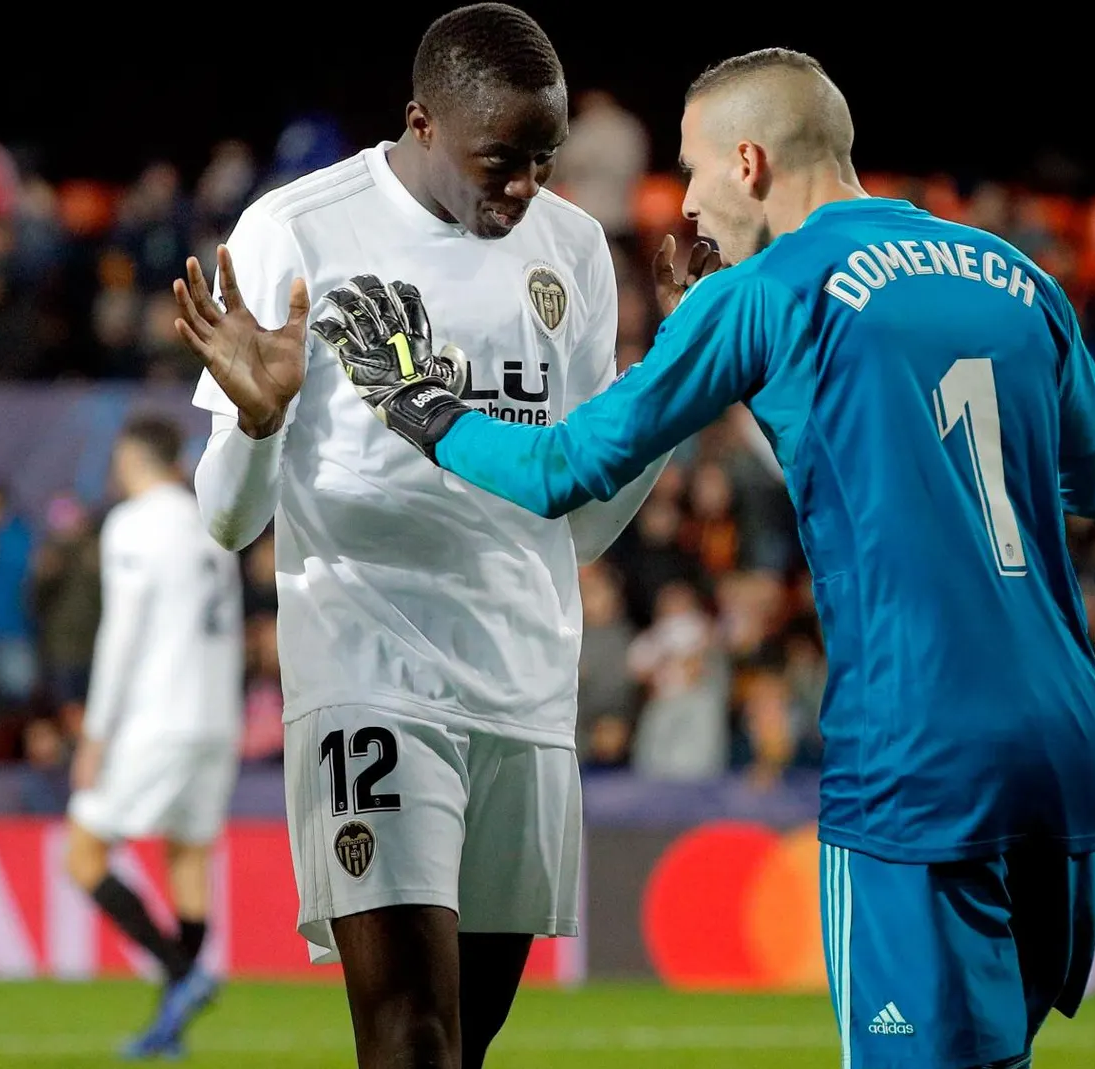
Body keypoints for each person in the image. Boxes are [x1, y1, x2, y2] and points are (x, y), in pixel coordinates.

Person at [320, 48, 1095, 1069]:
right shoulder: (1023, 279)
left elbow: (565, 466)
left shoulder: (768, 294)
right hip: (1064, 747)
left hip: (918, 747)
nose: (687, 201)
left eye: (693, 169)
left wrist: (422, 408)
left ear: (748, 162)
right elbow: (1088, 485)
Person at [167, 5, 710, 1065]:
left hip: (525, 686)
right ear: (421, 124)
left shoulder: (572, 250)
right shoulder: (300, 229)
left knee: (466, 1035)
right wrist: (258, 418)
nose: (524, 189)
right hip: (367, 672)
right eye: (499, 162)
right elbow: (228, 519)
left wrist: (665, 405)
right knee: (409, 1030)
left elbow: (577, 524)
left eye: (543, 161)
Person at [63, 413, 244, 1058]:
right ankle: (170, 1027)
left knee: (82, 854)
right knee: (187, 858)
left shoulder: (135, 523)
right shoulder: (210, 520)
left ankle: (183, 972)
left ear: (132, 458)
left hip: (156, 719)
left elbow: (122, 635)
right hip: (216, 719)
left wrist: (96, 733)